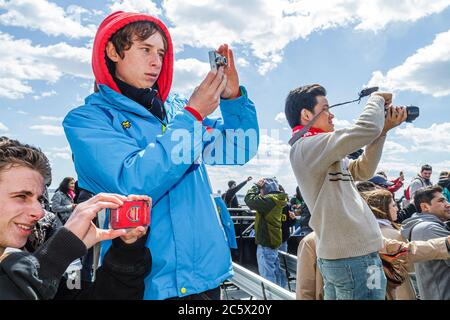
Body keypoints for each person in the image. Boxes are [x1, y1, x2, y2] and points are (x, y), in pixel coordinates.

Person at [63, 11, 259, 300]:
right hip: (144, 282)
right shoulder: (87, 120)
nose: (157, 61)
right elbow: (133, 183)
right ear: (113, 51)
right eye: (145, 49)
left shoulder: (178, 108)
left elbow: (239, 148)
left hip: (205, 276)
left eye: (161, 53)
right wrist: (192, 117)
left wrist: (232, 99)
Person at [286, 84, 407, 300]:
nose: (332, 115)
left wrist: (383, 131)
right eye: (326, 108)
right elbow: (364, 130)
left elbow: (364, 169)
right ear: (306, 115)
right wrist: (377, 99)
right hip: (354, 258)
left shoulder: (320, 152)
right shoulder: (306, 147)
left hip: (351, 258)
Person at [0, 137, 151, 300]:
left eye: (40, 199)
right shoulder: (46, 253)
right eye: (21, 196)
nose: (40, 212)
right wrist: (60, 252)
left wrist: (125, 252)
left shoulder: (39, 240)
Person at [364, 189, 450, 300]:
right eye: (393, 205)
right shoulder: (392, 233)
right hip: (400, 289)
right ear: (383, 209)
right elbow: (410, 265)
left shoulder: (372, 232)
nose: (397, 208)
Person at [401, 186, 450, 300]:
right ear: (425, 207)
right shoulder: (429, 228)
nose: (447, 204)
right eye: (441, 201)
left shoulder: (422, 225)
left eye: (446, 200)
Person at [244, 178, 288, 286]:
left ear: (266, 189)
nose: (260, 192)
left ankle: (270, 297)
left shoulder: (269, 200)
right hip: (272, 241)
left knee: (267, 276)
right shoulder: (277, 199)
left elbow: (249, 200)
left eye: (261, 190)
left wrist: (256, 186)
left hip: (266, 243)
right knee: (276, 273)